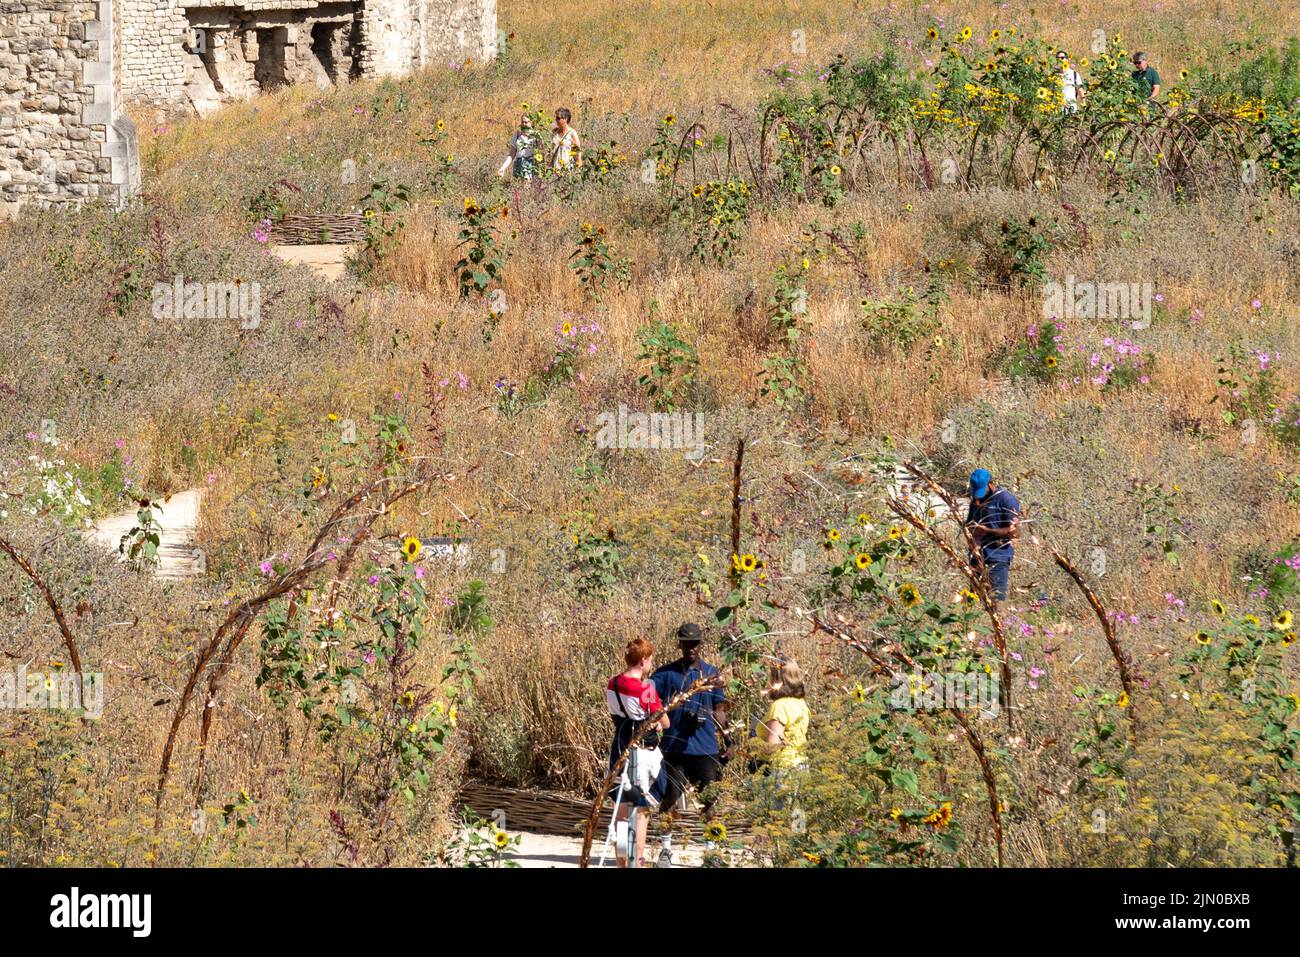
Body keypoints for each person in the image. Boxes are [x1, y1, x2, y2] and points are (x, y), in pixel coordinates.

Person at [651, 623, 727, 820]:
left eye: (694, 644)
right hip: (675, 748)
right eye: (686, 644)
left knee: (708, 800)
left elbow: (719, 710)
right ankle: (665, 846)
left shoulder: (712, 674)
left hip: (705, 747)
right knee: (670, 797)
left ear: (701, 645)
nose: (691, 648)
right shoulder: (666, 674)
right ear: (680, 645)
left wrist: (729, 740)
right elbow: (647, 696)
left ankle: (711, 846)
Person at [605, 637, 669, 867]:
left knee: (621, 812)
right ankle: (636, 862)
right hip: (641, 755)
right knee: (640, 812)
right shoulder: (645, 689)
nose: (651, 664)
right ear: (643, 661)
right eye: (650, 660)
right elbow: (666, 721)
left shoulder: (612, 683)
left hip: (619, 749)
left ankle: (621, 863)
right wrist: (657, 723)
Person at [965, 468, 1021, 609]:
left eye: (981, 491)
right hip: (977, 557)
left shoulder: (1007, 500)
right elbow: (969, 523)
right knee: (973, 602)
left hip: (998, 558)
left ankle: (1000, 630)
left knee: (996, 603)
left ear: (991, 484)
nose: (978, 497)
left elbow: (1015, 532)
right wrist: (971, 532)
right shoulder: (976, 499)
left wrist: (987, 531)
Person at [751, 660, 810, 772]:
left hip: (781, 768)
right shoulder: (801, 703)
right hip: (800, 764)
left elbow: (773, 745)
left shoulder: (779, 706)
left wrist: (753, 741)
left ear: (776, 681)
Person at [497, 113, 542, 179]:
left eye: (526, 122)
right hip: (518, 164)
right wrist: (503, 168)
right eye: (522, 122)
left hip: (530, 164)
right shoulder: (518, 134)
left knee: (528, 187)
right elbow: (512, 154)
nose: (524, 124)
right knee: (518, 187)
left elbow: (541, 152)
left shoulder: (536, 135)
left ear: (532, 122)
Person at [549, 107, 583, 173]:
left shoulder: (572, 133)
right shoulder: (554, 132)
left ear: (565, 119)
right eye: (556, 118)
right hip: (555, 168)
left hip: (567, 168)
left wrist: (578, 169)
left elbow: (577, 152)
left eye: (558, 118)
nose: (556, 120)